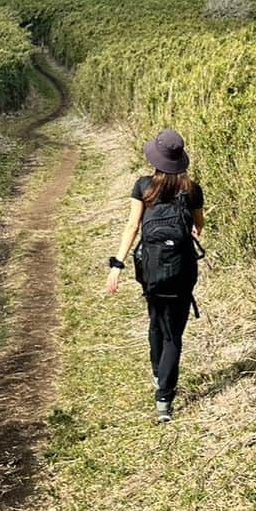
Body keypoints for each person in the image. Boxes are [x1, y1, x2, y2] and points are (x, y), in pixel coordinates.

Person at [105, 127, 205, 424]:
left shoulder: (143, 186)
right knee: (175, 334)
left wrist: (117, 265)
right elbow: (199, 227)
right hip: (183, 270)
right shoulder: (192, 190)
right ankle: (164, 399)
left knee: (156, 322)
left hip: (151, 270)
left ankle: (156, 374)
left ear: (156, 158)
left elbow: (131, 227)